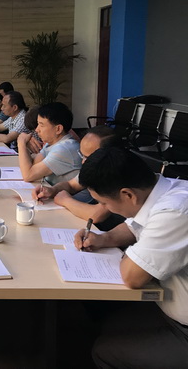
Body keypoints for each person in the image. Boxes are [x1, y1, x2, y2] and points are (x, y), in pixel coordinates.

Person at [72, 147, 188, 368]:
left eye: (103, 203)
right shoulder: (162, 190)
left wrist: (130, 256)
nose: (103, 208)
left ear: (127, 195)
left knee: (104, 351)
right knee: (102, 325)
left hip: (183, 329)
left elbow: (132, 277)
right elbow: (134, 227)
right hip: (168, 310)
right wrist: (103, 238)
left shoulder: (175, 212)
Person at [32, 125, 125, 230]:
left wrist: (66, 200)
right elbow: (71, 185)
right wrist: (52, 190)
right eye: (82, 155)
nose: (83, 162)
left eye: (88, 157)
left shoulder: (116, 175)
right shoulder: (94, 167)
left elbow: (97, 214)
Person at [17, 102, 82, 185]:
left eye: (41, 125)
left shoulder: (64, 149)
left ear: (58, 129)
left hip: (68, 193)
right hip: (54, 190)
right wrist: (25, 145)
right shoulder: (52, 142)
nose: (37, 130)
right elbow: (34, 164)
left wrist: (21, 143)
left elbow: (28, 175)